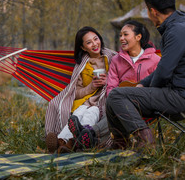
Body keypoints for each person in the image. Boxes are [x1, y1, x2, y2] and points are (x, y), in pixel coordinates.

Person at [106, 0, 185, 150]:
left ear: (153, 11)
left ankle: (146, 142)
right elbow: (163, 68)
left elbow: (164, 72)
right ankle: (120, 145)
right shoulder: (179, 27)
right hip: (183, 92)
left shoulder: (177, 30)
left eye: (147, 9)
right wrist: (143, 85)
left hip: (182, 98)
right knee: (114, 97)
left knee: (116, 95)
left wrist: (145, 91)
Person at [68, 20, 161, 149]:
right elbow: (111, 87)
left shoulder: (155, 60)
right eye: (120, 35)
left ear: (138, 37)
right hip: (122, 103)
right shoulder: (117, 60)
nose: (121, 38)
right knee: (115, 107)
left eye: (125, 35)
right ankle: (87, 137)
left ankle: (89, 133)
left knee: (118, 108)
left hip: (147, 103)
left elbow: (160, 86)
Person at [45, 26, 116, 153]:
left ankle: (68, 142)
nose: (94, 44)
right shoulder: (82, 64)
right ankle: (63, 142)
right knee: (77, 115)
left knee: (90, 114)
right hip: (84, 102)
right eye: (89, 42)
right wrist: (91, 87)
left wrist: (108, 82)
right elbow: (75, 93)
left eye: (96, 39)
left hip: (101, 103)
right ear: (83, 47)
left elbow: (121, 80)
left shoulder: (113, 58)